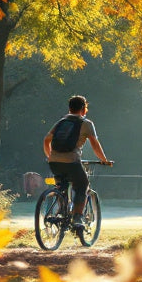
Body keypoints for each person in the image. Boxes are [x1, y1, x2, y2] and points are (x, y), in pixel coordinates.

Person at [43, 95, 112, 225]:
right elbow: (95, 144)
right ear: (83, 108)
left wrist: (50, 156)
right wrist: (104, 160)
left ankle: (61, 211)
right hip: (71, 161)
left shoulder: (61, 122)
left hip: (54, 162)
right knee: (82, 185)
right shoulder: (86, 123)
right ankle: (77, 217)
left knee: (61, 186)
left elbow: (46, 140)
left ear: (69, 108)